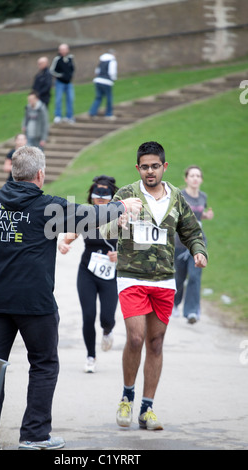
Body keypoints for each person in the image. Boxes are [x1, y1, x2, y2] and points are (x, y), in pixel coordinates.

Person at [0, 145, 142, 450]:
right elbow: (89, 215)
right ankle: (34, 436)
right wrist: (121, 206)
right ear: (40, 174)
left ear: (13, 171)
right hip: (35, 304)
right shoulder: (47, 207)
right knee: (44, 364)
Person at [100, 141, 208, 431]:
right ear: (138, 168)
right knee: (135, 338)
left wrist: (199, 250)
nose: (150, 171)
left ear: (164, 166)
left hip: (163, 280)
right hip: (131, 277)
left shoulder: (176, 197)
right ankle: (127, 395)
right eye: (145, 166)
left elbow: (192, 230)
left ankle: (147, 409)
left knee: (156, 343)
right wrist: (118, 220)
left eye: (155, 166)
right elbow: (104, 229)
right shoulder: (126, 194)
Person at [58, 175, 119, 373]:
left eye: (105, 196)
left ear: (112, 198)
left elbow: (134, 247)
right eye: (97, 196)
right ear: (92, 197)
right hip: (87, 272)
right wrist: (63, 244)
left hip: (110, 274)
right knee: (88, 315)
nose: (100, 199)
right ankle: (90, 356)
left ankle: (108, 330)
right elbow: (69, 237)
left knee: (107, 318)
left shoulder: (120, 218)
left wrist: (120, 254)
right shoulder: (86, 217)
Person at [173, 165, 214, 324]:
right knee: (179, 277)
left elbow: (198, 215)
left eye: (198, 176)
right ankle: (174, 305)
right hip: (180, 243)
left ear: (201, 179)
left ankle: (191, 311)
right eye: (192, 176)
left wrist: (205, 216)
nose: (195, 178)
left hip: (198, 242)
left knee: (195, 277)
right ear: (186, 179)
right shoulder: (180, 196)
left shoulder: (203, 197)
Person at [50, 44, 75, 124]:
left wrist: (70, 76)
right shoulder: (57, 59)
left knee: (70, 99)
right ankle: (58, 116)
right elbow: (52, 70)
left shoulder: (70, 58)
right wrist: (60, 75)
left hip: (69, 83)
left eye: (65, 49)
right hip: (60, 83)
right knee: (58, 99)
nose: (63, 51)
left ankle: (69, 116)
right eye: (62, 50)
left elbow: (72, 69)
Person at [89, 50, 117, 120]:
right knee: (109, 98)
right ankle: (109, 114)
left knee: (98, 97)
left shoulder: (101, 61)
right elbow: (112, 72)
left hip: (98, 80)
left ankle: (92, 112)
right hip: (107, 81)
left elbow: (97, 71)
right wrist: (113, 79)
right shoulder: (112, 61)